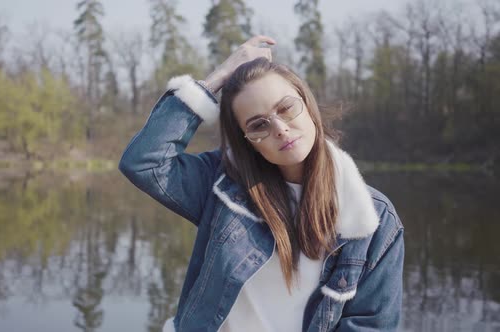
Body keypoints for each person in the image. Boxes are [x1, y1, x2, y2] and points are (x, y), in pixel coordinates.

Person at [119, 35, 404, 332]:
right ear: (248, 142)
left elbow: (371, 326)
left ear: (308, 104)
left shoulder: (373, 218)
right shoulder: (222, 186)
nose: (280, 129)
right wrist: (219, 77)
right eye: (258, 125)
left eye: (286, 108)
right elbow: (144, 162)